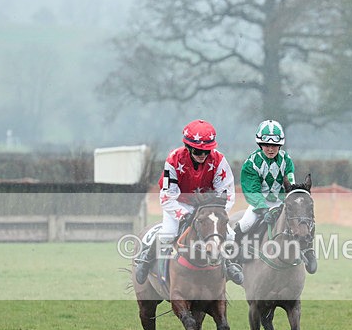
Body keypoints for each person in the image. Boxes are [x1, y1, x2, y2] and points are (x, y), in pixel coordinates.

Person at [134, 119, 244, 285]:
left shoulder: (219, 160)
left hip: (208, 207)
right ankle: (146, 259)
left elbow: (227, 194)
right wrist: (184, 215)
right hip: (179, 204)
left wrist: (216, 212)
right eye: (198, 150)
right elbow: (167, 196)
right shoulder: (174, 159)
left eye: (206, 150)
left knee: (229, 235)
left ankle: (229, 264)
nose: (202, 155)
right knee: (168, 234)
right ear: (188, 146)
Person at [234, 119, 317, 272]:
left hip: (282, 202)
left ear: (280, 145)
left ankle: (308, 251)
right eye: (267, 145)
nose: (271, 149)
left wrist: (289, 200)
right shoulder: (251, 163)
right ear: (260, 144)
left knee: (302, 220)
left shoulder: (286, 160)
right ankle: (234, 257)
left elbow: (289, 184)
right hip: (260, 203)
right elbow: (252, 190)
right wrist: (263, 209)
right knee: (245, 224)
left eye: (275, 145)